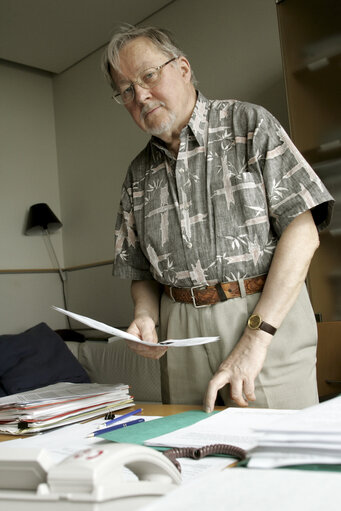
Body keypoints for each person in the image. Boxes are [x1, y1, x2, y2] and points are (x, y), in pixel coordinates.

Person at [102, 25, 334, 412]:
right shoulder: (136, 174)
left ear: (183, 68)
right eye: (126, 91)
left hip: (264, 319)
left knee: (278, 461)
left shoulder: (249, 125)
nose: (140, 95)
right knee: (195, 458)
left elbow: (303, 233)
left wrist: (256, 338)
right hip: (181, 335)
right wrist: (144, 316)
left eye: (148, 76)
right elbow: (140, 271)